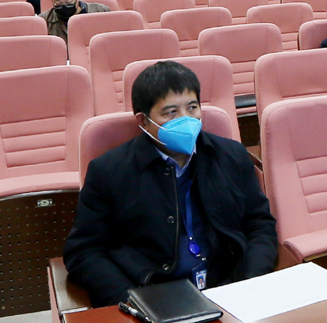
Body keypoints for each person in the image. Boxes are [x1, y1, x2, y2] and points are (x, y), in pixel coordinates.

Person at [62, 60, 277, 307]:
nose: (186, 119)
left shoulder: (232, 155)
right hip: (154, 295)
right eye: (171, 112)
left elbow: (260, 226)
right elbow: (84, 252)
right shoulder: (109, 171)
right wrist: (133, 302)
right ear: (143, 121)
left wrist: (250, 282)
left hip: (229, 289)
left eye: (192, 107)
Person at [44, 0, 110, 38]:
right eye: (58, 3)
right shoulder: (44, 20)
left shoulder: (101, 11)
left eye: (69, 2)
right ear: (52, 0)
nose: (64, 6)